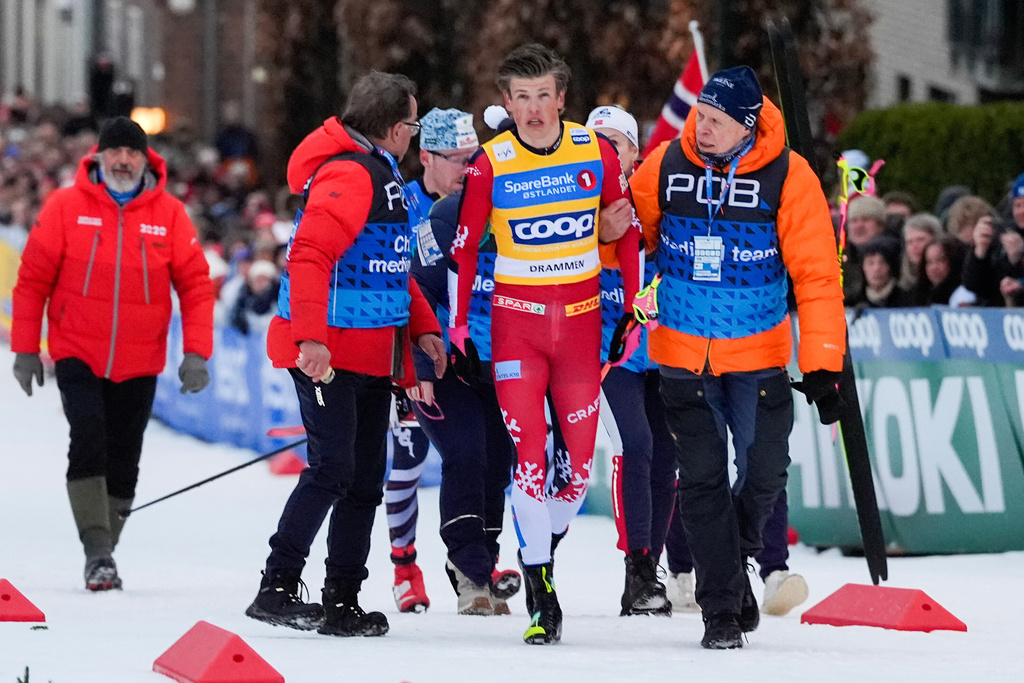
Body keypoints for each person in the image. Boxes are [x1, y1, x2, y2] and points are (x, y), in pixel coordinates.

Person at [629, 66, 846, 649]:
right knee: (701, 482)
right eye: (701, 116)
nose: (702, 129)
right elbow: (627, 239)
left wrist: (824, 363)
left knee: (764, 473)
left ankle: (733, 566)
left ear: (747, 126)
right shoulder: (665, 166)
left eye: (717, 122)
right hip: (681, 357)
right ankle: (721, 610)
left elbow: (818, 276)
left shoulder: (788, 176)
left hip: (760, 357)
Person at [449, 44, 640, 644]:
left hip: (581, 328)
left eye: (543, 96)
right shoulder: (489, 163)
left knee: (578, 473)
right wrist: (457, 327)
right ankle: (542, 590)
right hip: (516, 329)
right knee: (528, 464)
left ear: (562, 98)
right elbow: (464, 248)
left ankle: (541, 552)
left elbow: (626, 228)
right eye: (521, 98)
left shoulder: (595, 150)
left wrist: (633, 304)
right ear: (507, 103)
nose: (533, 109)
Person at [245, 72, 447, 638]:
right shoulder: (350, 174)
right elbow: (309, 256)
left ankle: (343, 601)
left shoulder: (379, 172)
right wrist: (311, 339)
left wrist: (424, 329)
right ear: (390, 127)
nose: (413, 133)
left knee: (364, 479)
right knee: (333, 469)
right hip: (328, 354)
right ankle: (277, 586)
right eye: (411, 123)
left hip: (369, 354)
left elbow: (389, 267)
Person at [10, 116, 214, 591]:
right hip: (76, 349)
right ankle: (97, 550)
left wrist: (197, 353)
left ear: (146, 160)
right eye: (115, 152)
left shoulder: (170, 215)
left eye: (132, 153)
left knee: (125, 457)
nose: (123, 160)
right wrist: (24, 349)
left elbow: (197, 288)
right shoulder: (64, 206)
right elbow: (33, 282)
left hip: (141, 359)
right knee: (89, 439)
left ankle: (105, 548)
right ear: (98, 157)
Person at [385, 106, 482, 614]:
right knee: (408, 460)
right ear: (426, 157)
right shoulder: (400, 203)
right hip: (414, 354)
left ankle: (474, 560)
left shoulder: (484, 200)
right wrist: (407, 359)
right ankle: (404, 565)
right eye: (458, 159)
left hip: (469, 359)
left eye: (475, 157)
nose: (469, 168)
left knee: (477, 456)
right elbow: (391, 280)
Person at [585, 105, 675, 617]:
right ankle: (638, 563)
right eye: (595, 141)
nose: (603, 151)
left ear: (635, 153)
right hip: (607, 354)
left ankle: (645, 577)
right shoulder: (574, 201)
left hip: (660, 352)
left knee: (667, 461)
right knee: (635, 446)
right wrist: (598, 232)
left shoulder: (651, 199)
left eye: (614, 143)